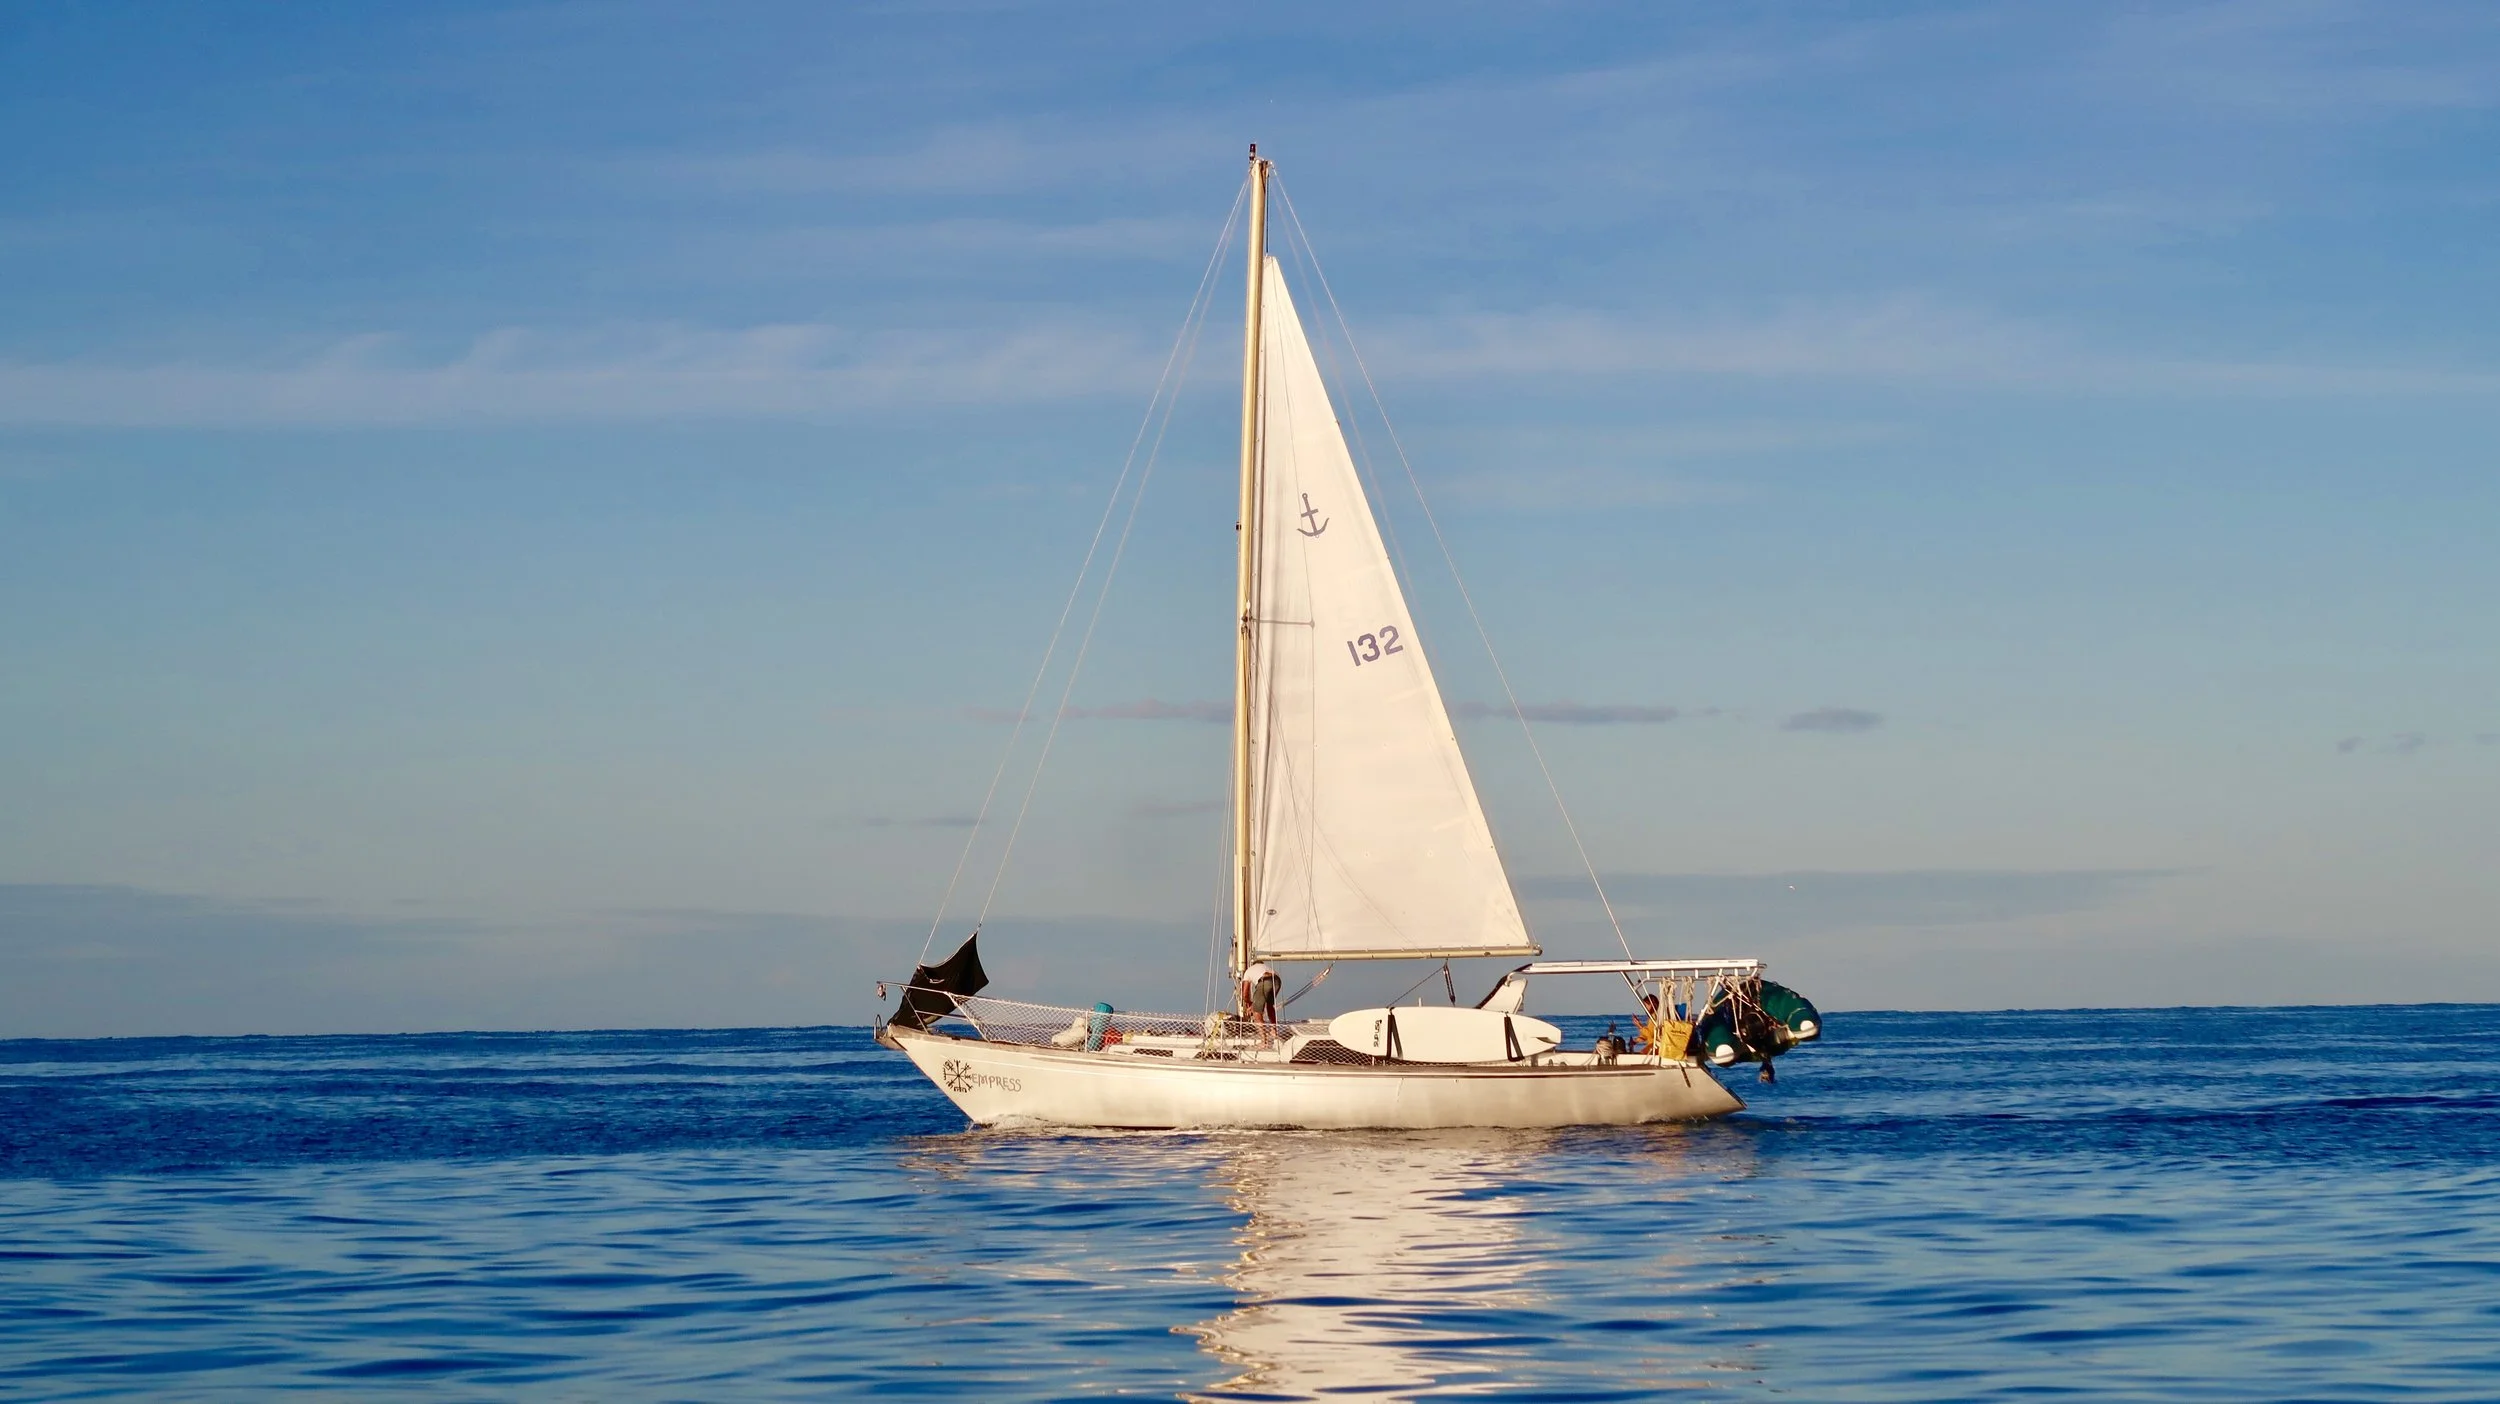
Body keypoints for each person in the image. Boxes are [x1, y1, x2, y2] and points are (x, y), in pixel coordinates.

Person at [1239, 960, 1281, 1025]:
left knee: (1257, 1011)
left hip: (1264, 981)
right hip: (1277, 981)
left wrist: (1249, 1003)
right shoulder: (1266, 967)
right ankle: (1274, 1030)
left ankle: (1263, 1034)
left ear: (1253, 965)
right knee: (1269, 1006)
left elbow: (1245, 994)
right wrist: (1254, 1004)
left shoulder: (1249, 970)